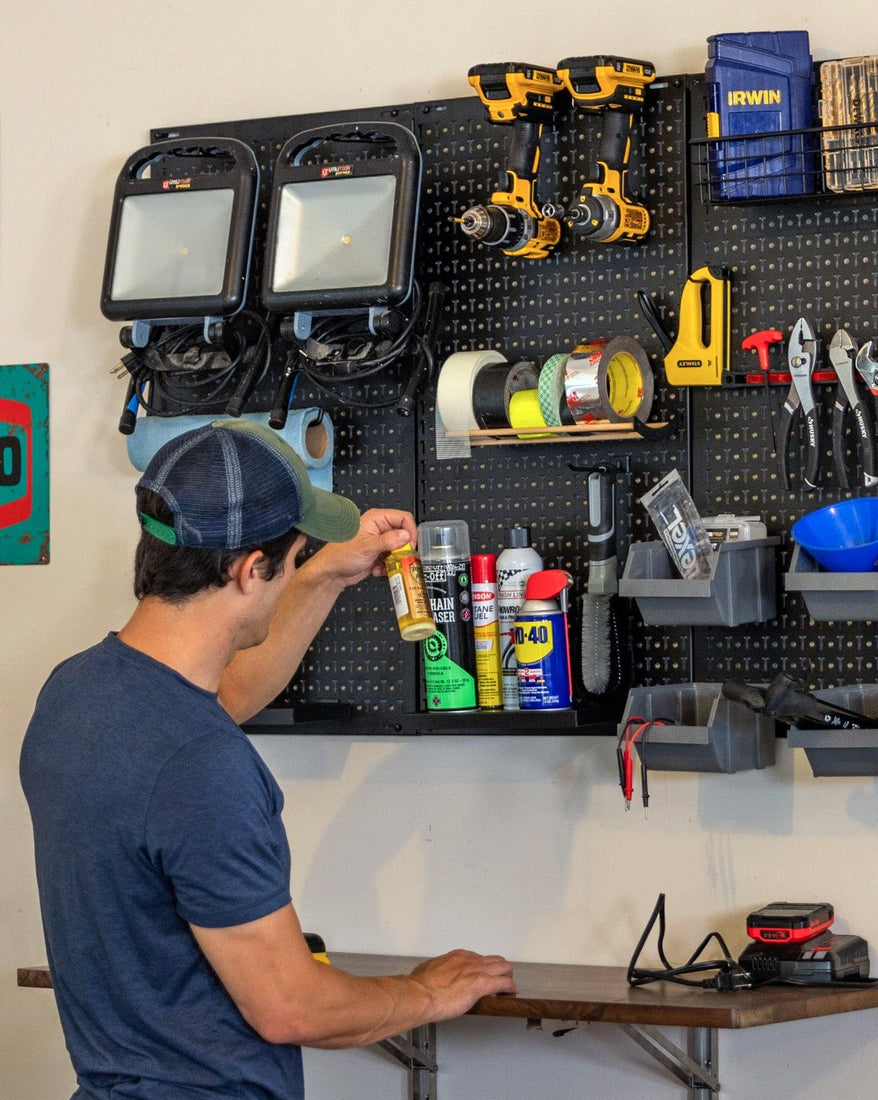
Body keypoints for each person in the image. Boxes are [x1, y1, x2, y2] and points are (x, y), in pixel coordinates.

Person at [20, 419, 515, 1100]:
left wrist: (319, 578)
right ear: (249, 569)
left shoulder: (75, 695)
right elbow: (290, 1005)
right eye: (290, 558)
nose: (293, 571)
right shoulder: (201, 767)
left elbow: (218, 693)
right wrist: (424, 992)